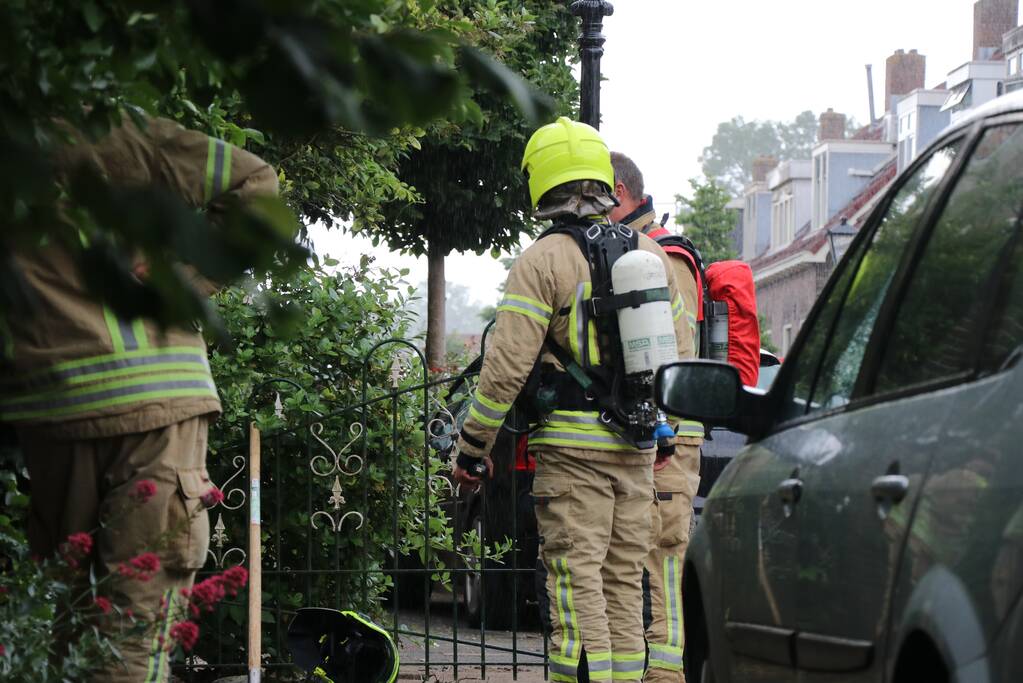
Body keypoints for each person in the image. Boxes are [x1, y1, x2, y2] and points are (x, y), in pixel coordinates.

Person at [1, 115, 278, 682]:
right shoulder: (107, 128)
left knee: (79, 631)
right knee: (117, 634)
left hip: (65, 411)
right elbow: (255, 184)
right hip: (142, 410)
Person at [452, 117, 690, 683]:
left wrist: (471, 447)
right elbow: (677, 359)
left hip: (570, 453)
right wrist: (667, 435)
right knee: (625, 587)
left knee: (573, 589)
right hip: (636, 449)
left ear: (543, 182)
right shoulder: (650, 257)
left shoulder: (542, 262)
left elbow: (506, 367)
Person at [609, 152, 703, 683]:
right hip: (651, 434)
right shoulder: (637, 253)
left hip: (671, 437)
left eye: (599, 197)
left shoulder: (662, 258)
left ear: (619, 192)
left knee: (663, 561)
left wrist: (664, 430)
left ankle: (666, 676)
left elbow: (676, 355)